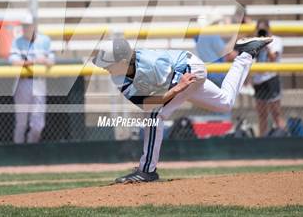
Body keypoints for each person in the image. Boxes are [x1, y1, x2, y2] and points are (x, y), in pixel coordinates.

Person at [92, 36, 272, 183]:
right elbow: (145, 102)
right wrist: (177, 89)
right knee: (225, 102)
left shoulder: (151, 62)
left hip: (190, 69)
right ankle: (247, 53)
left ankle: (147, 170)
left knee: (156, 115)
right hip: (176, 80)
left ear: (123, 61)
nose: (105, 68)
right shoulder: (118, 75)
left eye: (108, 64)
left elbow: (160, 99)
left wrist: (178, 88)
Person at [9, 15, 55, 144]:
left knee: (38, 124)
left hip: (39, 82)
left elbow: (51, 61)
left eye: (28, 25)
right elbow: (14, 62)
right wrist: (34, 62)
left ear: (34, 26)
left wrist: (44, 60)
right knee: (21, 122)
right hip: (23, 82)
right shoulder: (17, 41)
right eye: (23, 26)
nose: (25, 28)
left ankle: (31, 147)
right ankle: (18, 152)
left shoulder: (44, 40)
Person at [252, 19, 285, 137]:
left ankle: (285, 141)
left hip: (271, 79)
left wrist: (265, 44)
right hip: (258, 81)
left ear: (268, 29)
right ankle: (262, 143)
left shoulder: (276, 41)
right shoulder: (255, 42)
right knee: (262, 116)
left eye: (263, 30)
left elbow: (273, 58)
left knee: (276, 114)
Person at [195, 13, 237, 88]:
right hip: (217, 74)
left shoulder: (200, 36)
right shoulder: (212, 33)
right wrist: (234, 36)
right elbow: (226, 53)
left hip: (207, 72)